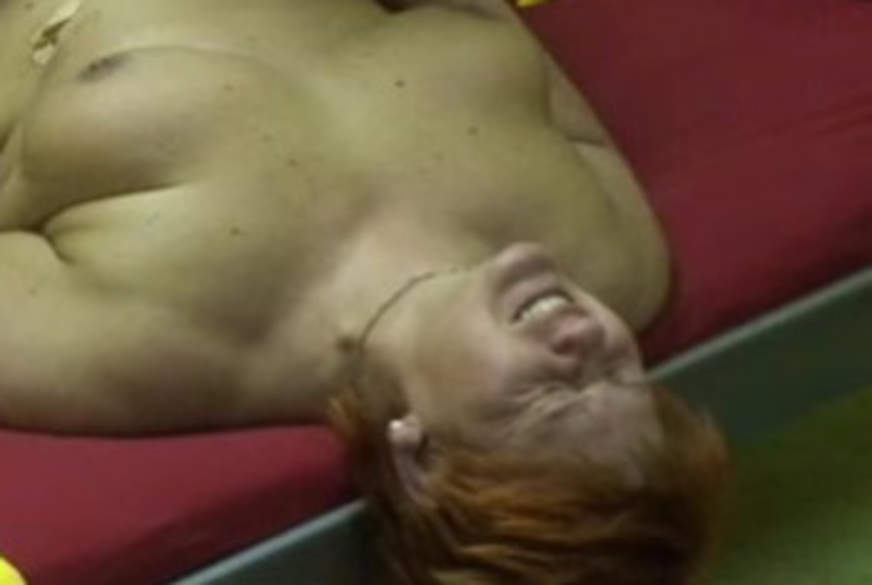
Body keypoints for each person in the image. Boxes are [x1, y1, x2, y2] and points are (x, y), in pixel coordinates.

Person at [0, 0, 729, 582]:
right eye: (620, 372)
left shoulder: (161, 347)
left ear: (423, 462)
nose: (584, 336)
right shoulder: (615, 258)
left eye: (551, 394)